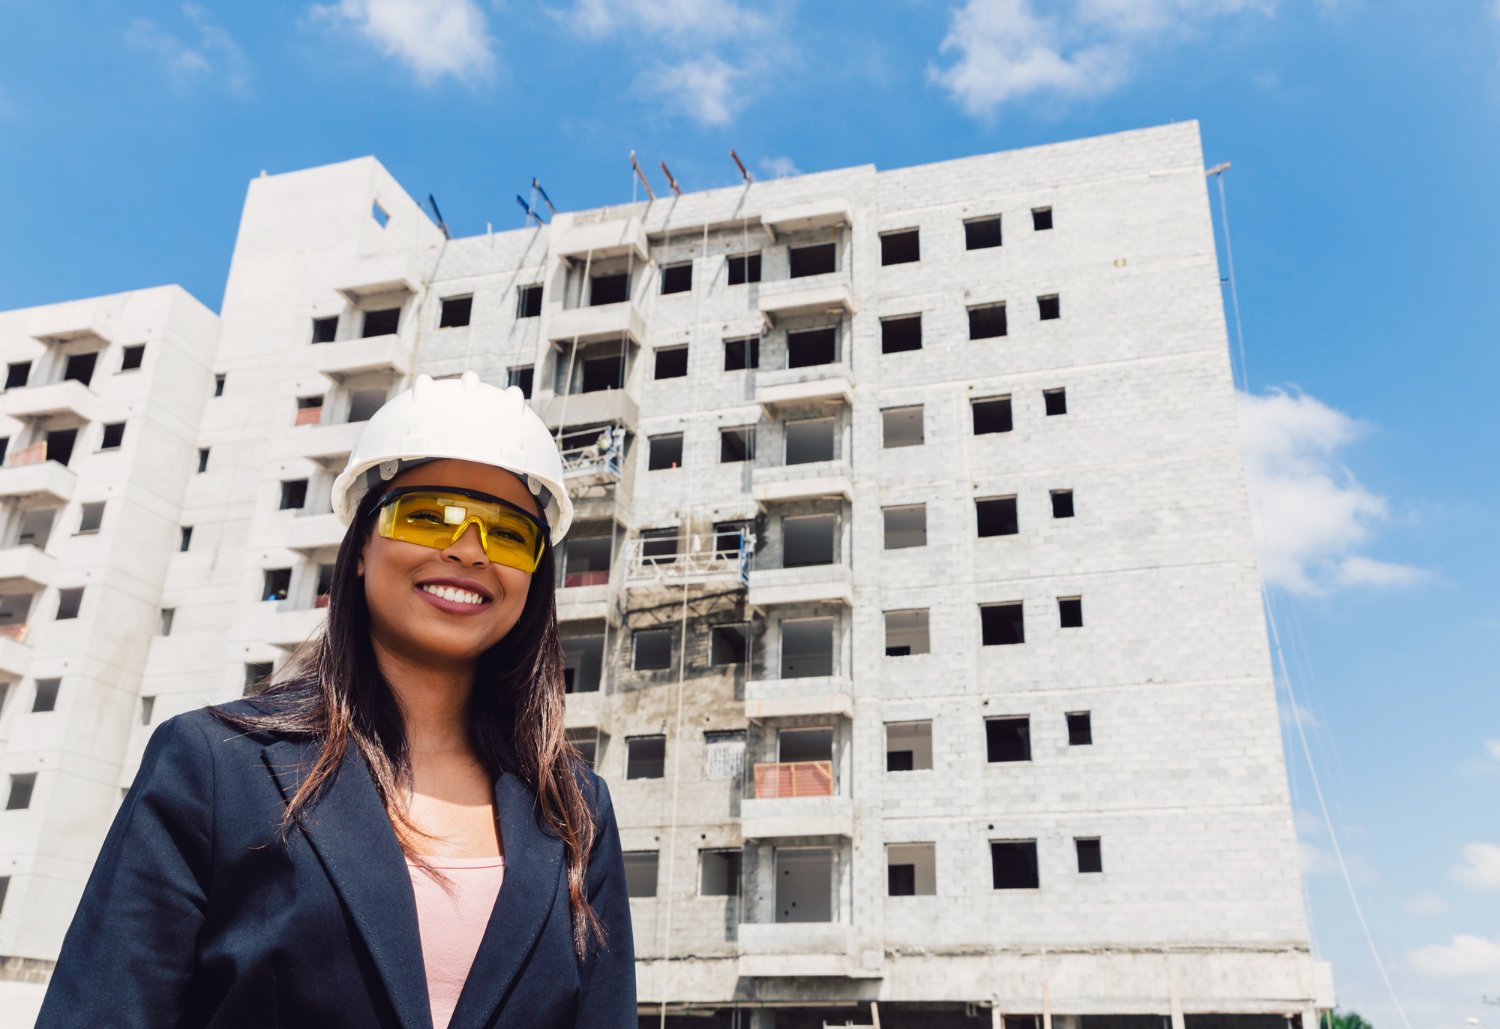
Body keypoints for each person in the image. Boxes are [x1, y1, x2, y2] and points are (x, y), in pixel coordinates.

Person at [37, 372, 637, 1028]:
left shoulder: (575, 810)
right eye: (430, 515)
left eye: (509, 533)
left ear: (534, 576)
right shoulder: (213, 767)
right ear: (360, 548)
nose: (469, 549)